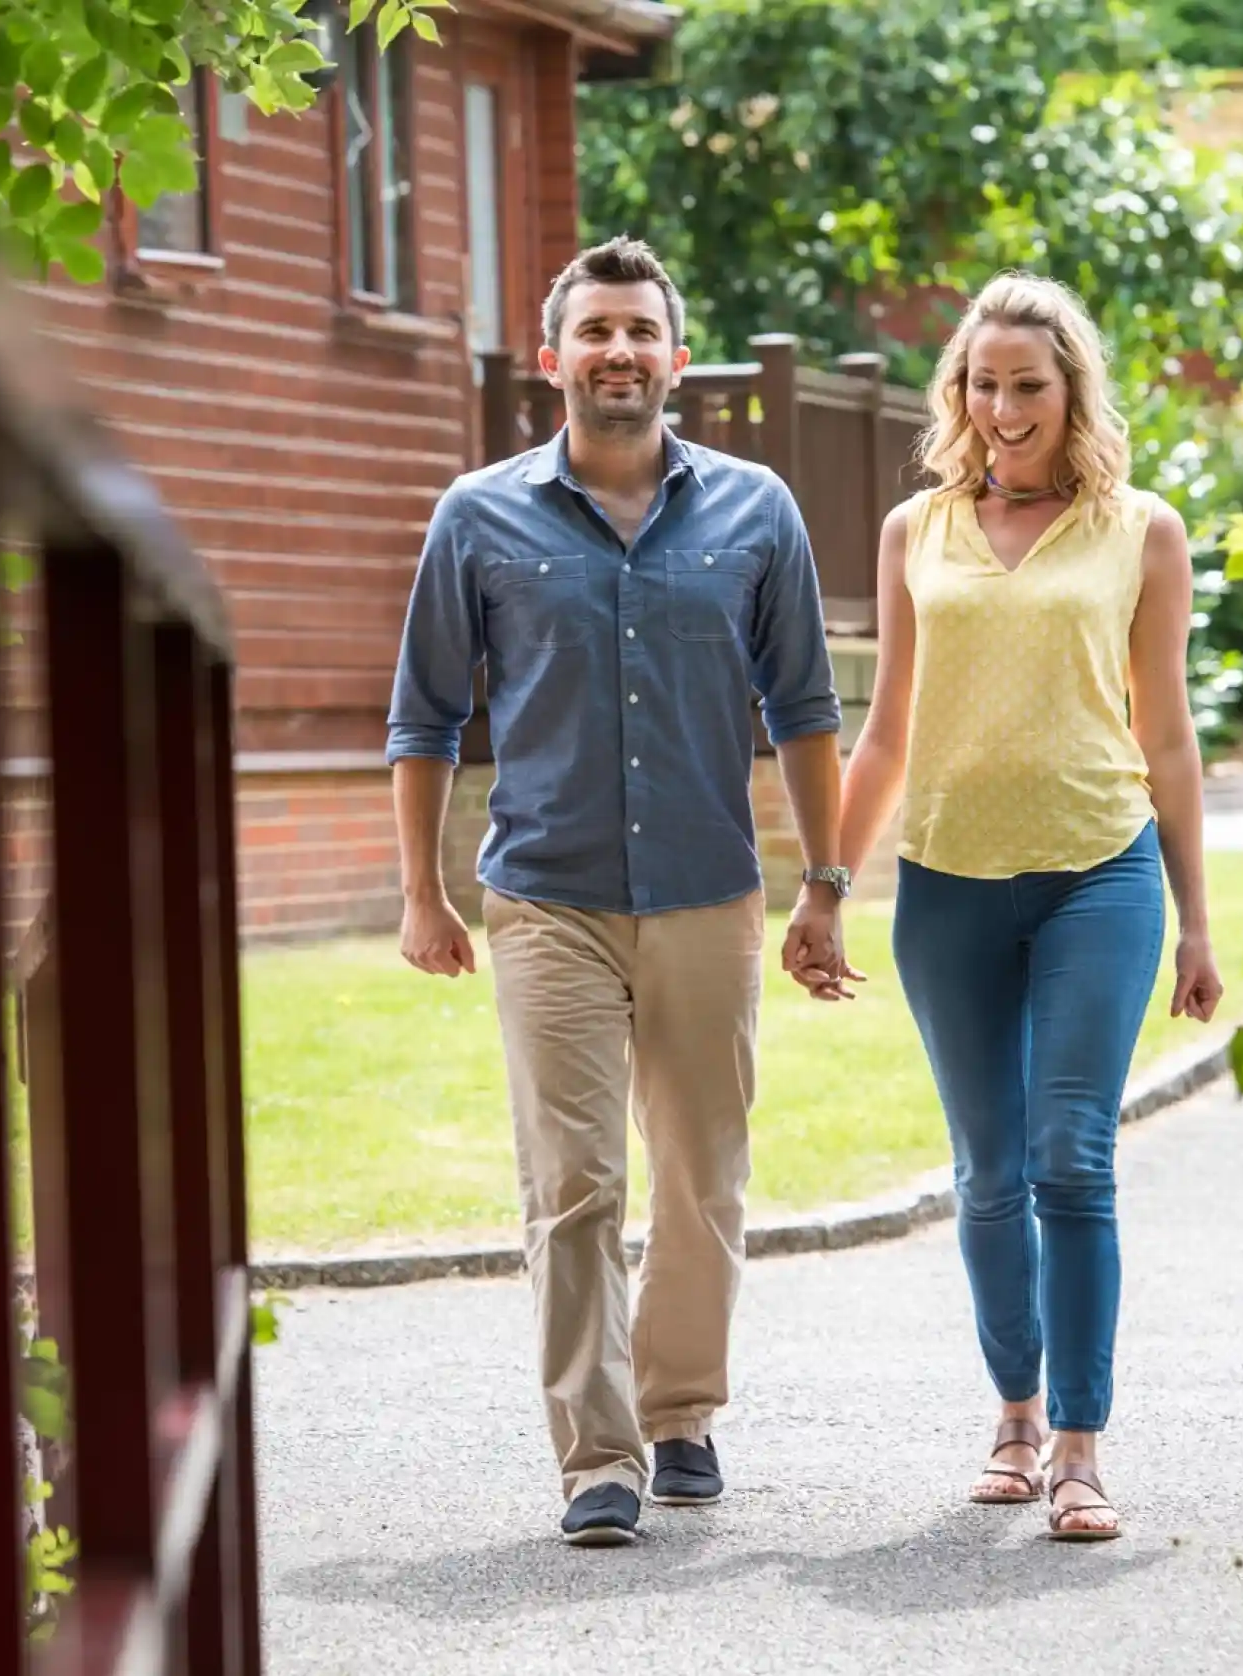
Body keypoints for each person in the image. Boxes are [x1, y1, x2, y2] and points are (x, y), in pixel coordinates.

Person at [386, 236, 857, 1547]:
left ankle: (683, 1413)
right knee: (574, 1180)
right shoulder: (476, 516)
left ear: (678, 358)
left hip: (711, 891)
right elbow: (424, 718)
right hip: (547, 897)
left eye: (640, 331)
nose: (618, 353)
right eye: (594, 332)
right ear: (554, 361)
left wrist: (822, 885)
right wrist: (421, 894)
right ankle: (597, 1456)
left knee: (702, 1174)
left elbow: (807, 709)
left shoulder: (759, 513)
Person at [835, 272, 1223, 1542]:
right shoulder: (913, 531)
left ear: (1072, 392)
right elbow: (884, 729)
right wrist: (825, 884)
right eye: (981, 383)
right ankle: (1011, 1408)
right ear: (957, 389)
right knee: (988, 1172)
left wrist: (1197, 919)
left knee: (1072, 1155)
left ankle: (1077, 1444)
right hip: (946, 880)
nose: (1002, 409)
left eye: (1028, 386)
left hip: (1095, 873)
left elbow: (1165, 737)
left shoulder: (1140, 528)